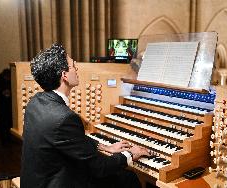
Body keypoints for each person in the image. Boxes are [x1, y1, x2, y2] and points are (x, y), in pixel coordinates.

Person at [20, 43, 150, 188]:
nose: (76, 70)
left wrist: (104, 146)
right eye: (74, 66)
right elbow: (100, 167)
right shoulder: (64, 118)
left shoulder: (35, 102)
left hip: (37, 180)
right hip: (57, 182)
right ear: (64, 76)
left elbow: (70, 139)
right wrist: (131, 154)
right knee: (127, 178)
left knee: (124, 177)